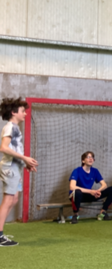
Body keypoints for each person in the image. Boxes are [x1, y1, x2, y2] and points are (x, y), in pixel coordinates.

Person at [0, 98, 38, 246]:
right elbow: (3, 147)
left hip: (15, 167)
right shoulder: (10, 127)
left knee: (14, 199)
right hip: (9, 168)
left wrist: (25, 163)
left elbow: (14, 149)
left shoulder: (15, 127)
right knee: (8, 200)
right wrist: (25, 158)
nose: (25, 114)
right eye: (23, 111)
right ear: (13, 112)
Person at [69, 151, 112, 224]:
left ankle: (102, 212)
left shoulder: (95, 171)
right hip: (77, 195)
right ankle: (76, 215)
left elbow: (104, 185)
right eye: (88, 157)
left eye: (92, 157)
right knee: (77, 192)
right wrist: (91, 191)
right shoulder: (77, 171)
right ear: (83, 160)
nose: (91, 159)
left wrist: (97, 191)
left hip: (90, 194)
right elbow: (72, 187)